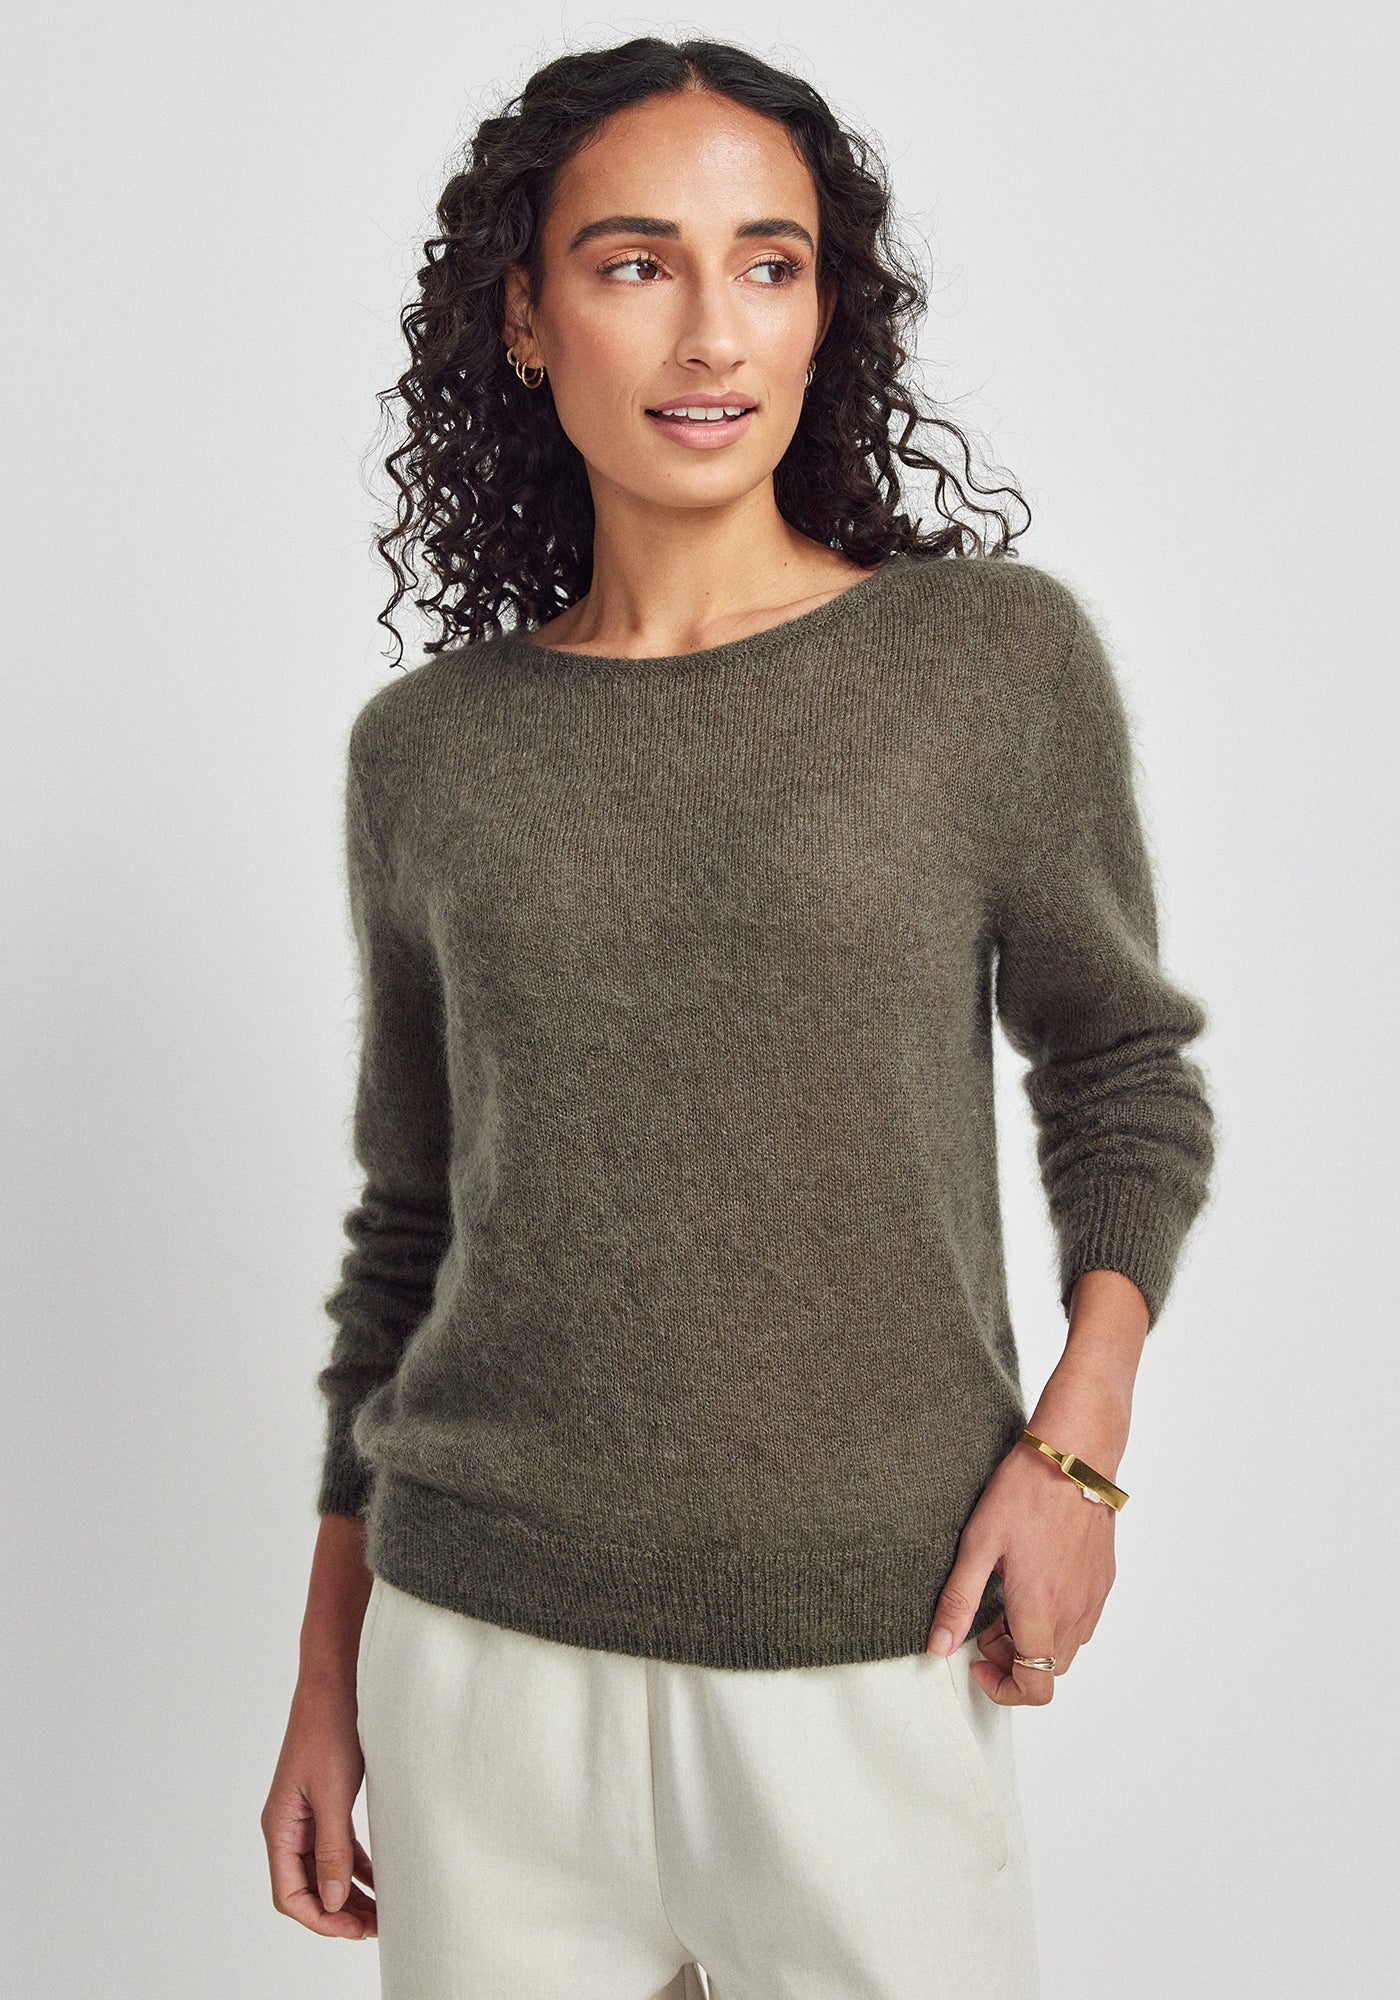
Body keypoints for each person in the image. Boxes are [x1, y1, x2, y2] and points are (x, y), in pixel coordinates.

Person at [261, 35, 1216, 2000]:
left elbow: (1121, 1068)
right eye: (635, 263)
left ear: (823, 307)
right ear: (523, 316)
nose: (712, 332)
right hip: (479, 1657)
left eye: (768, 264)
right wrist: (326, 1669)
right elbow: (411, 1226)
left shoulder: (983, 663)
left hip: (866, 1645)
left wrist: (1081, 1446)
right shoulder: (429, 752)